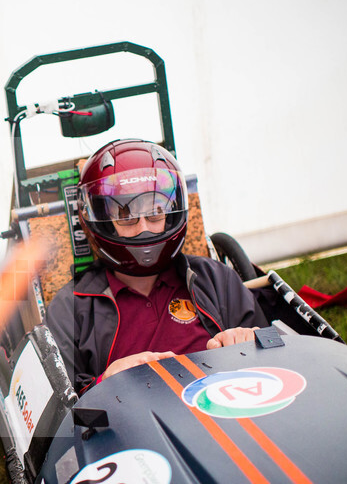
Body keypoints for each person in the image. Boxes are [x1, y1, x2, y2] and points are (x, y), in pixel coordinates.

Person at [47, 139, 268, 393]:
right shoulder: (71, 308)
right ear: (103, 221)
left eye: (155, 211)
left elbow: (275, 355)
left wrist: (247, 341)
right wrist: (106, 381)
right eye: (126, 215)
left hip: (221, 412)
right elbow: (61, 412)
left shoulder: (216, 278)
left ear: (171, 211)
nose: (143, 229)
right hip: (130, 426)